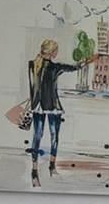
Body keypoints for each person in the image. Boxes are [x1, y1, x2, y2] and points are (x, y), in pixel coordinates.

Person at [27, 37, 80, 185]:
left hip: (37, 106)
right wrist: (85, 62)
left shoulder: (32, 65)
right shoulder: (55, 68)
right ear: (52, 52)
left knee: (37, 137)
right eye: (56, 50)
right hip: (52, 107)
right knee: (54, 137)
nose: (57, 53)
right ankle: (52, 167)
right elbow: (74, 67)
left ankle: (34, 171)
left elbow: (33, 89)